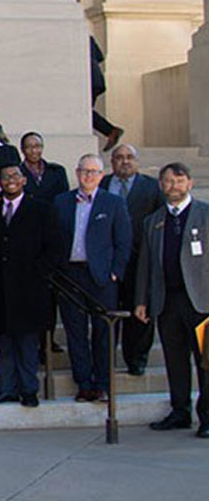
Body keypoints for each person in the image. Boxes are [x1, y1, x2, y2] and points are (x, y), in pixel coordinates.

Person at [134, 162, 209, 438]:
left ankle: (208, 417)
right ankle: (180, 412)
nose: (173, 186)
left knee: (207, 362)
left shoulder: (205, 214)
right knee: (175, 360)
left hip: (202, 302)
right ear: (161, 186)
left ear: (189, 183)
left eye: (179, 181)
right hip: (167, 302)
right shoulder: (153, 222)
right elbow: (145, 266)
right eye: (167, 181)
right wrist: (141, 300)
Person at [0, 165, 61, 408]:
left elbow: (54, 248)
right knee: (4, 345)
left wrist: (39, 273)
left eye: (15, 176)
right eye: (5, 177)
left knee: (27, 344)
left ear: (24, 180)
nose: (10, 180)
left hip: (30, 290)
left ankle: (28, 389)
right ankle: (6, 388)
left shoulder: (42, 210)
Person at [54, 153, 131, 402]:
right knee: (75, 334)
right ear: (77, 173)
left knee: (103, 333)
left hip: (101, 277)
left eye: (94, 172)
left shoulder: (113, 203)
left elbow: (123, 241)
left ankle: (103, 384)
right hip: (70, 276)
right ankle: (84, 384)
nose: (89, 176)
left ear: (101, 175)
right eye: (84, 171)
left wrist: (115, 273)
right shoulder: (61, 202)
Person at [103, 144, 163, 375]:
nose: (124, 161)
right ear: (112, 162)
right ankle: (106, 359)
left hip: (141, 261)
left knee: (140, 311)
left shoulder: (151, 187)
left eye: (129, 157)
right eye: (119, 158)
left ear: (136, 161)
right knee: (108, 312)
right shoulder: (103, 184)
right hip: (109, 261)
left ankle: (137, 358)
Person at [90, 36, 124, 151]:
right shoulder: (87, 37)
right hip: (97, 79)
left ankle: (110, 130)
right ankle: (109, 131)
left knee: (83, 112)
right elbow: (100, 57)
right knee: (85, 112)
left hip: (89, 80)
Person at [19, 132, 70, 202]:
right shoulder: (17, 173)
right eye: (29, 147)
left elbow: (64, 198)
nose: (34, 151)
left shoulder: (57, 171)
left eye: (37, 146)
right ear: (22, 149)